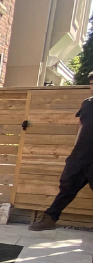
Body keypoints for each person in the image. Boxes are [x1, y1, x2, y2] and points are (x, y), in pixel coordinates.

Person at [30, 74, 93, 231]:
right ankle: (50, 219)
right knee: (66, 189)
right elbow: (81, 127)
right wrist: (74, 151)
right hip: (79, 157)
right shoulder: (87, 104)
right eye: (92, 83)